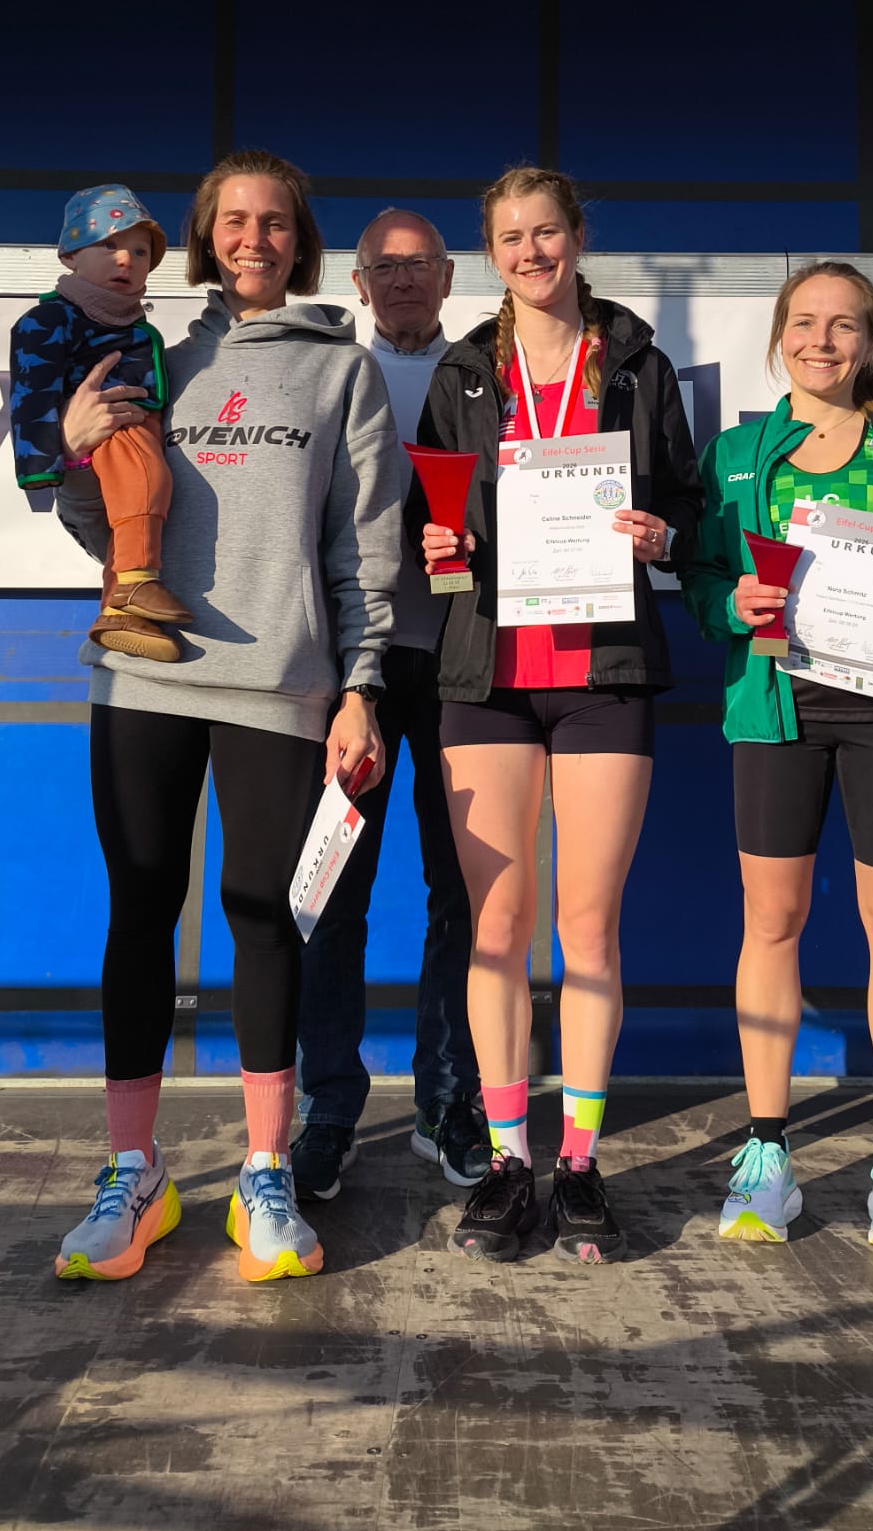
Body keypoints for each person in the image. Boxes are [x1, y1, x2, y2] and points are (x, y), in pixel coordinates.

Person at [49, 149, 401, 1286]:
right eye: (234, 220)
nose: (255, 238)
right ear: (206, 237)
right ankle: (134, 1171)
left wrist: (361, 684)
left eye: (276, 221)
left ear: (301, 240)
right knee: (139, 911)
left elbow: (363, 547)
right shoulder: (151, 353)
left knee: (265, 919)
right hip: (143, 674)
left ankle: (263, 1170)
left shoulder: (341, 371)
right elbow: (96, 521)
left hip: (279, 684)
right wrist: (69, 451)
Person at [414, 166, 702, 1266]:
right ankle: (505, 1160)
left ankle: (577, 1161)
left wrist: (661, 536)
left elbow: (686, 503)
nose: (531, 252)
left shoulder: (634, 362)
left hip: (602, 668)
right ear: (491, 254)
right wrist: (440, 547)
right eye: (510, 237)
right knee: (495, 926)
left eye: (546, 232)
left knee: (587, 925)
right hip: (488, 670)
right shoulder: (462, 371)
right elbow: (432, 521)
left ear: (577, 237)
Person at [683, 261, 873, 1254]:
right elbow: (703, 573)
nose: (822, 339)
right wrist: (729, 602)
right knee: (772, 920)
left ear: (868, 340)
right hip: (774, 705)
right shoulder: (734, 455)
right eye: (804, 322)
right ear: (779, 337)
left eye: (843, 324)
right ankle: (767, 1151)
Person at [291, 209, 488, 1201]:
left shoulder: (489, 377)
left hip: (463, 668)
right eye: (386, 265)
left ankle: (447, 1099)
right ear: (357, 282)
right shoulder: (330, 373)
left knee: (463, 896)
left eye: (422, 264)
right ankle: (330, 1105)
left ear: (449, 278)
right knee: (335, 891)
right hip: (349, 680)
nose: (405, 279)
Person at [9, 185, 190, 662]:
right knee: (146, 480)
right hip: (113, 428)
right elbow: (31, 393)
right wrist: (42, 463)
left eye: (140, 251)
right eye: (108, 245)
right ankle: (136, 581)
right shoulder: (48, 320)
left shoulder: (136, 328)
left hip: (138, 424)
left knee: (132, 511)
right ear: (70, 255)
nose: (126, 259)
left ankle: (118, 612)